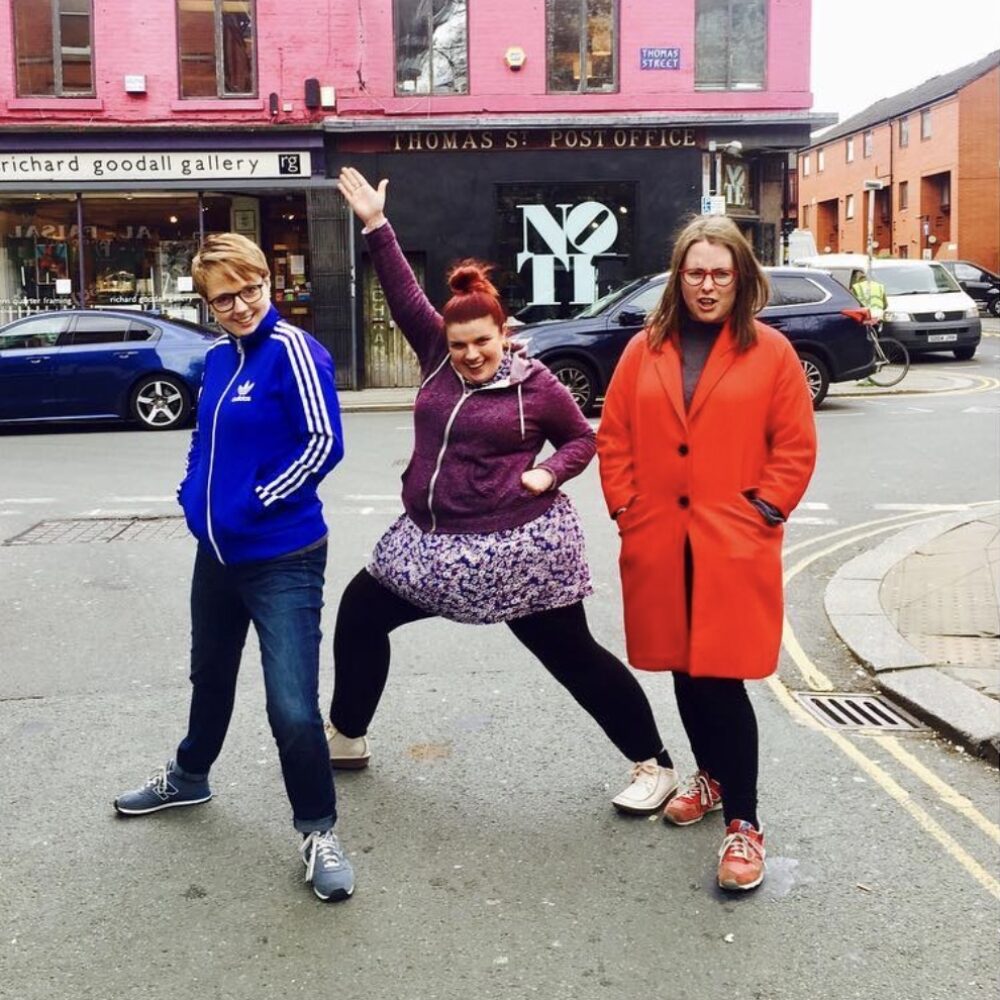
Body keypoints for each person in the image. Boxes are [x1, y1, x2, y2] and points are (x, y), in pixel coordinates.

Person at [327, 166, 678, 816]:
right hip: (430, 544)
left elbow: (582, 440)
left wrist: (550, 472)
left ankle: (654, 765)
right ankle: (346, 735)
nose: (469, 354)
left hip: (515, 550)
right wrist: (376, 224)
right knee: (360, 613)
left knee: (572, 657)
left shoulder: (536, 384)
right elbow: (403, 292)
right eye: (459, 344)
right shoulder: (436, 354)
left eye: (482, 342)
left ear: (503, 332)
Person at [113, 232, 353, 903]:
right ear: (208, 304)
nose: (242, 305)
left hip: (283, 557)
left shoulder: (295, 351)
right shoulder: (218, 359)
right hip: (217, 556)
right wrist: (193, 496)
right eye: (225, 298)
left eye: (251, 289)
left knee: (292, 707)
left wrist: (254, 502)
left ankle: (318, 831)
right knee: (210, 676)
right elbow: (205, 439)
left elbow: (323, 444)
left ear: (266, 282)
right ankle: (190, 776)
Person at [596, 215, 817, 891]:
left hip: (733, 542)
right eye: (695, 272)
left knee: (721, 677)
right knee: (685, 671)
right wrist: (627, 509)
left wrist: (765, 511)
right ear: (678, 277)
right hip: (661, 539)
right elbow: (614, 436)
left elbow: (795, 446)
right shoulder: (644, 349)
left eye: (721, 273)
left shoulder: (771, 352)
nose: (707, 285)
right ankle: (713, 777)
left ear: (741, 278)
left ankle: (745, 822)